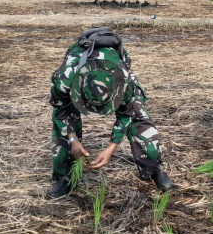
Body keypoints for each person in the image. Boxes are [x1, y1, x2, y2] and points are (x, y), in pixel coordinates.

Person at [46, 27, 173, 198]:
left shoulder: (125, 81)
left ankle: (153, 169)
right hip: (77, 67)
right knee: (63, 123)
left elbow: (126, 113)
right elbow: (61, 111)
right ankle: (66, 176)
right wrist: (73, 139)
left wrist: (111, 148)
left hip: (116, 67)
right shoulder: (64, 79)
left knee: (139, 115)